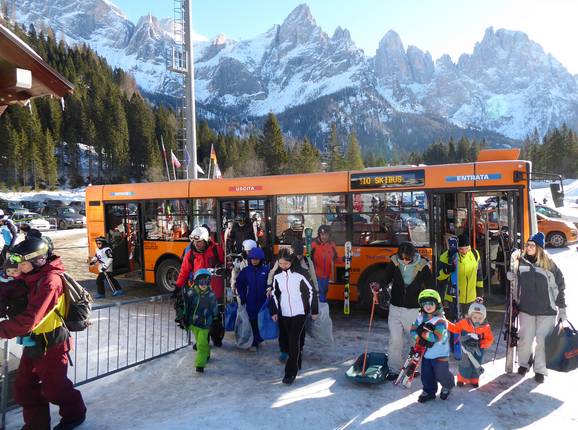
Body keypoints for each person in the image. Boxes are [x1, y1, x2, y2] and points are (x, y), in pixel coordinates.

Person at [0, 237, 86, 429]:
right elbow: (13, 290)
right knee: (24, 388)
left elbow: (30, 320)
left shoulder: (50, 281)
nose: (18, 268)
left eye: (22, 263)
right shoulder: (31, 276)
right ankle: (36, 425)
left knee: (55, 389)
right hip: (33, 341)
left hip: (53, 343)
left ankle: (75, 414)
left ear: (38, 261)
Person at [511, 232, 567, 383]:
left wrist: (562, 309)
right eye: (527, 245)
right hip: (526, 309)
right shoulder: (520, 263)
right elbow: (516, 283)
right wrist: (512, 276)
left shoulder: (549, 265)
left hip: (547, 310)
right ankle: (524, 363)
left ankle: (540, 370)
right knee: (525, 339)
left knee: (542, 342)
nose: (528, 247)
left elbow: (559, 287)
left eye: (532, 245)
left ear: (539, 248)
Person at [380, 242, 433, 381]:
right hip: (395, 306)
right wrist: (379, 288)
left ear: (413, 255)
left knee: (414, 339)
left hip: (413, 309)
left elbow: (431, 286)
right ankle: (394, 369)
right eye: (402, 258)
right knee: (395, 340)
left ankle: (412, 367)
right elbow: (385, 279)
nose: (404, 261)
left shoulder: (422, 265)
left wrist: (432, 306)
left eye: (407, 258)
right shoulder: (394, 262)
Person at [269, 248, 318, 385]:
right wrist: (274, 311)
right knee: (291, 339)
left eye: (286, 263)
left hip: (299, 312)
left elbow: (312, 291)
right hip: (285, 312)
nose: (283, 266)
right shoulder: (277, 276)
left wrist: (314, 310)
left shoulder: (301, 274)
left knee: (293, 340)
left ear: (291, 261)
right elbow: (274, 294)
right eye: (280, 263)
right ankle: (297, 359)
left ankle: (290, 372)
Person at [176, 226, 225, 346]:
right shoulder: (190, 254)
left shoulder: (215, 249)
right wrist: (178, 286)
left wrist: (224, 270)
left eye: (199, 242)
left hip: (215, 289)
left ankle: (217, 337)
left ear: (205, 240)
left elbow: (224, 262)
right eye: (194, 241)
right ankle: (203, 342)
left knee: (216, 316)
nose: (196, 244)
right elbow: (184, 271)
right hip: (199, 291)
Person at [410, 289, 455, 403]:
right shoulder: (420, 317)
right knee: (426, 374)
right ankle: (429, 391)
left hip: (440, 354)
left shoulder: (440, 321)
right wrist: (419, 339)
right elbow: (413, 330)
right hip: (426, 354)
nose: (428, 306)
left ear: (437, 305)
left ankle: (447, 385)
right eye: (425, 304)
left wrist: (422, 334)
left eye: (431, 303)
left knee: (441, 374)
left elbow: (437, 337)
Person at [447, 299, 493, 387]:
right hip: (466, 348)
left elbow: (489, 339)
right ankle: (461, 379)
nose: (477, 320)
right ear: (470, 316)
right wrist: (445, 323)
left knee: (477, 363)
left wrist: (481, 344)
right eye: (474, 317)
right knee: (465, 363)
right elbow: (455, 328)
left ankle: (474, 379)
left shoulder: (485, 327)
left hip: (479, 348)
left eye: (480, 318)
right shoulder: (464, 323)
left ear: (483, 318)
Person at [437, 234, 483, 319]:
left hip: (471, 298)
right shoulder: (447, 256)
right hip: (454, 298)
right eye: (461, 249)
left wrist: (480, 292)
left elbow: (479, 274)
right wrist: (447, 270)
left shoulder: (475, 254)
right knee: (456, 322)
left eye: (467, 248)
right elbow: (439, 276)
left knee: (469, 323)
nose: (464, 251)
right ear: (457, 247)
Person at [183, 269, 219, 373]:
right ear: (196, 282)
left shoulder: (211, 295)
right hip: (193, 323)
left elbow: (214, 308)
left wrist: (216, 318)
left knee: (201, 343)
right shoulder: (191, 293)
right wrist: (184, 317)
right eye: (201, 282)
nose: (204, 285)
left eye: (206, 282)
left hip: (205, 323)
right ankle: (206, 354)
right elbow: (186, 305)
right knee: (200, 342)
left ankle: (200, 364)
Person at [235, 247, 269, 350]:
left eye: (257, 259)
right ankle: (254, 342)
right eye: (252, 259)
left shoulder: (266, 270)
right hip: (250, 300)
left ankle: (259, 338)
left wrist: (269, 296)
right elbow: (239, 284)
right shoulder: (246, 271)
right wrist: (242, 296)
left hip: (263, 300)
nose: (254, 261)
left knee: (261, 320)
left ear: (261, 259)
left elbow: (271, 283)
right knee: (252, 320)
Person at [310, 225, 339, 303]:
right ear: (319, 235)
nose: (324, 237)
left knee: (324, 292)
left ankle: (321, 306)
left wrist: (344, 259)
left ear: (329, 235)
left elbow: (335, 259)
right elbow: (308, 259)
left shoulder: (332, 245)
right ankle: (321, 306)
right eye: (322, 234)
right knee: (320, 293)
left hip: (326, 275)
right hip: (316, 274)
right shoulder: (313, 245)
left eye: (326, 235)